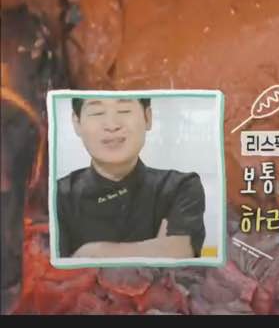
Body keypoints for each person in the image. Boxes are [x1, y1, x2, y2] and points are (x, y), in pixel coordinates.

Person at [56, 97, 206, 259]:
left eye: (124, 111)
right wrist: (155, 250)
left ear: (147, 118)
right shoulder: (55, 195)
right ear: (77, 123)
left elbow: (179, 252)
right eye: (97, 113)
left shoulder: (180, 187)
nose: (112, 125)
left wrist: (94, 252)